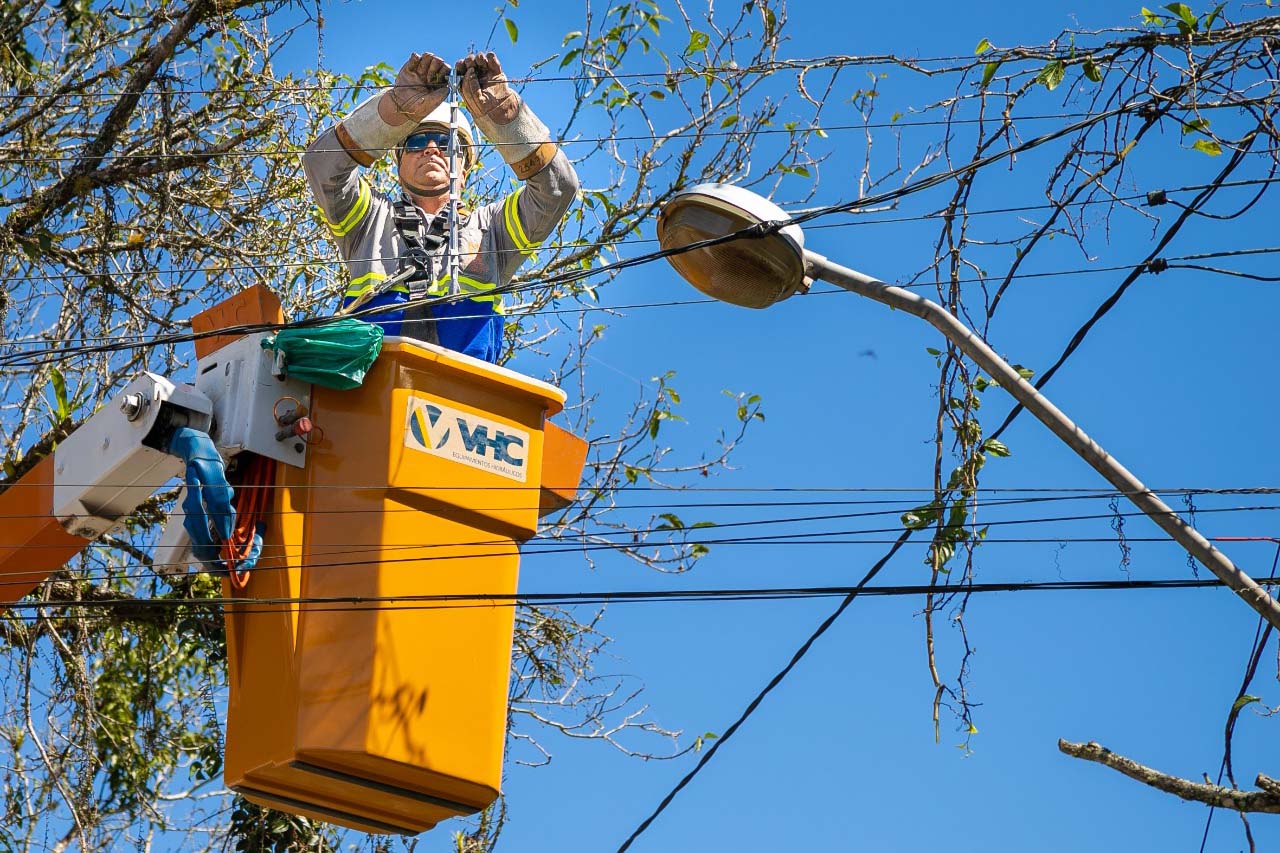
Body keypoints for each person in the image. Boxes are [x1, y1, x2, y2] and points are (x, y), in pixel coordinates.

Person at [303, 51, 579, 363]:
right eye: (417, 142)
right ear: (398, 163)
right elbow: (320, 166)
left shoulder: (492, 230)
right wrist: (393, 110)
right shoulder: (370, 220)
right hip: (371, 391)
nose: (431, 148)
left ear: (464, 167)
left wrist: (504, 116)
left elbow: (557, 190)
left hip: (462, 396)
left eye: (445, 143)